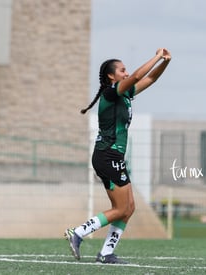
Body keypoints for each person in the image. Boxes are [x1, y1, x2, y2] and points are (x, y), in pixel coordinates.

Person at [64, 48, 171, 264]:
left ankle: (105, 253)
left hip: (113, 156)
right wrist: (157, 56)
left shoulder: (125, 94)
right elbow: (138, 76)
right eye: (122, 70)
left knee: (128, 208)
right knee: (121, 208)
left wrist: (165, 62)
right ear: (112, 76)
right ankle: (78, 232)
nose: (126, 72)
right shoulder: (111, 93)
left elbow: (150, 78)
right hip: (107, 155)